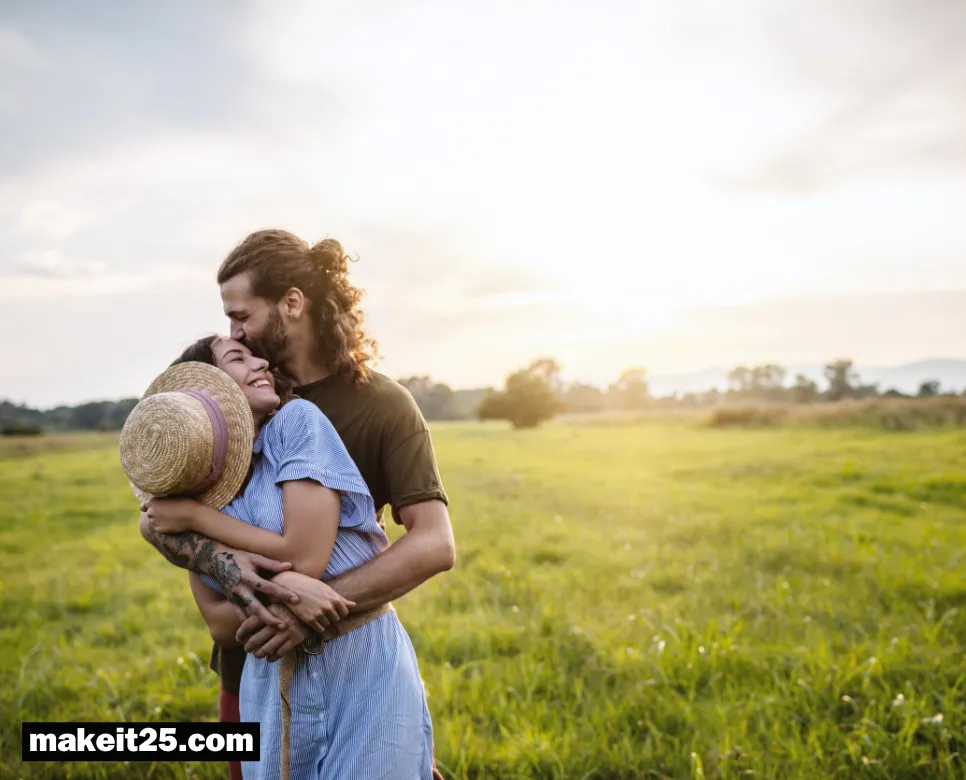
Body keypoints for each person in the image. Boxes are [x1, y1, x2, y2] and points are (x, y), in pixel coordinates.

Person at [139, 231, 455, 780]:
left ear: (291, 303)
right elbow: (159, 518)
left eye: (242, 316)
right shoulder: (230, 406)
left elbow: (433, 543)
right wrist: (189, 541)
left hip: (350, 664)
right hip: (250, 665)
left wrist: (306, 611)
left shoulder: (381, 405)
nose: (235, 333)